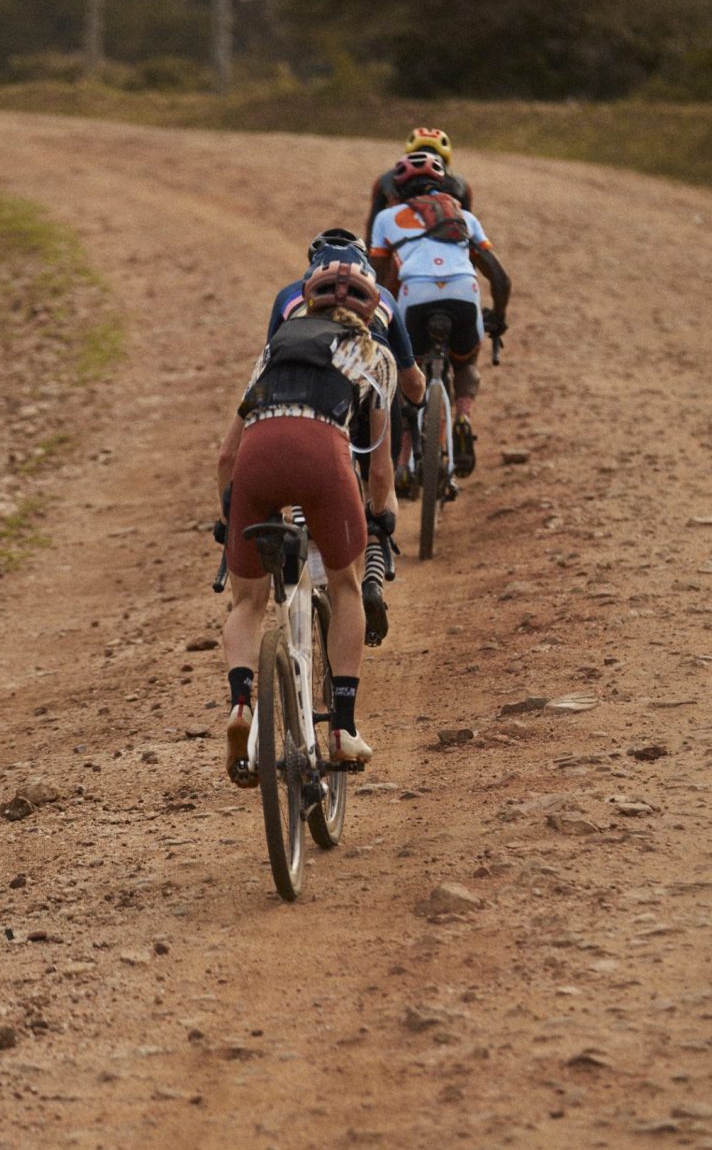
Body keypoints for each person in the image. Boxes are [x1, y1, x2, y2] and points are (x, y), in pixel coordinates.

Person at [217, 256, 397, 784]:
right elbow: (380, 469)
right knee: (344, 586)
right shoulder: (376, 354)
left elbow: (226, 456)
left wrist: (226, 517)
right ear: (371, 311)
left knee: (248, 602)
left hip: (257, 458)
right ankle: (342, 728)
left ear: (308, 303)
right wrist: (380, 517)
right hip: (322, 454)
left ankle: (241, 703)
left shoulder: (275, 349)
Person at [265, 229, 422, 645]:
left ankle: (303, 532)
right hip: (374, 387)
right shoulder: (383, 298)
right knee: (379, 483)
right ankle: (373, 568)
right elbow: (412, 381)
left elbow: (273, 360)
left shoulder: (290, 295)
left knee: (308, 466)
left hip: (309, 398)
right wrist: (418, 401)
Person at [369, 151, 511, 481]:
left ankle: (404, 458)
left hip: (414, 295)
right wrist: (498, 317)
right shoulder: (464, 217)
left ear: (399, 188)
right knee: (465, 363)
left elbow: (377, 277)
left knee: (408, 370)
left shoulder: (387, 218)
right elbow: (500, 278)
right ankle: (463, 416)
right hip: (464, 292)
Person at [365, 126, 473, 245]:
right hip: (447, 243)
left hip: (400, 243)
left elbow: (373, 226)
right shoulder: (460, 184)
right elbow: (468, 229)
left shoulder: (385, 180)